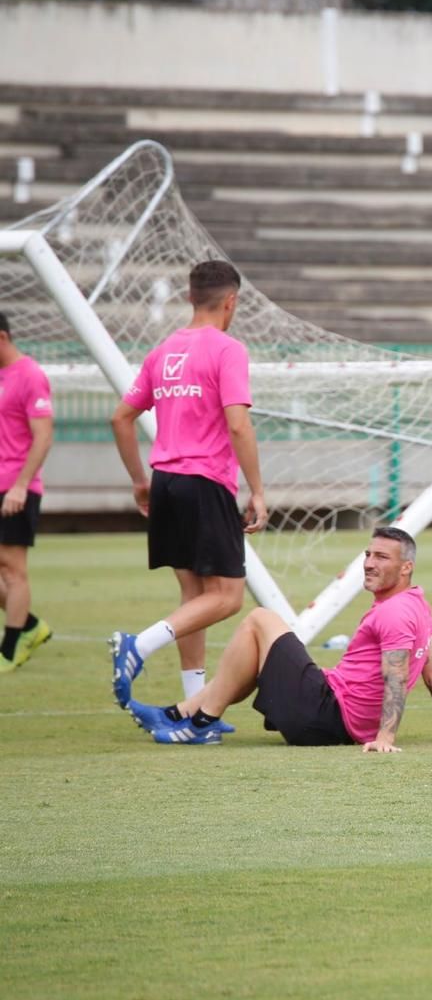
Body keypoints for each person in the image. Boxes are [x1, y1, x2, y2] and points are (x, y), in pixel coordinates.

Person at [123, 527, 432, 749]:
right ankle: (178, 714)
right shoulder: (418, 604)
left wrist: (385, 737)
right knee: (260, 651)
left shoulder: (395, 611)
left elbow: (397, 676)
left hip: (326, 716)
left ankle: (201, 721)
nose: (369, 563)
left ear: (406, 567)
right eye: (368, 554)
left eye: (382, 558)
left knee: (260, 619)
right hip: (330, 706)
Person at [109, 260, 267, 710]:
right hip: (204, 482)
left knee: (194, 595)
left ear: (189, 297)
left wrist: (140, 481)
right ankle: (137, 647)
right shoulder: (227, 350)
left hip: (165, 482)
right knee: (228, 597)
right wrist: (256, 490)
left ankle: (192, 709)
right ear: (231, 301)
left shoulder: (163, 351)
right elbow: (238, 426)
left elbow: (121, 417)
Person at [0, 312, 54, 673]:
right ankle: (32, 626)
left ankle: (10, 648)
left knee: (13, 569)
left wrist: (20, 485)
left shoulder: (30, 374)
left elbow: (43, 435)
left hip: (17, 487)